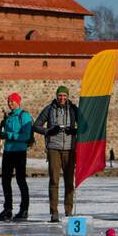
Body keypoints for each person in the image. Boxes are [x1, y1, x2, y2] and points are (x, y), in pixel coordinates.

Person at [33, 85, 79, 222]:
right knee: (54, 180)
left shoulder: (73, 109)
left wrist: (75, 130)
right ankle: (54, 212)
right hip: (54, 148)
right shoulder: (49, 109)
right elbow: (36, 126)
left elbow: (85, 126)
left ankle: (68, 211)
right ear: (56, 96)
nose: (62, 98)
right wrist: (48, 131)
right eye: (60, 95)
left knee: (69, 181)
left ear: (68, 96)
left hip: (70, 149)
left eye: (64, 95)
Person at [0, 92, 33, 222]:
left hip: (19, 152)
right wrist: (2, 131)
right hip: (8, 151)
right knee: (5, 181)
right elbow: (6, 132)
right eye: (9, 101)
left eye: (13, 101)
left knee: (20, 180)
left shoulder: (24, 115)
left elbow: (26, 136)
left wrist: (9, 135)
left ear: (18, 102)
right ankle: (8, 209)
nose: (10, 103)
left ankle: (24, 209)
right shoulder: (9, 116)